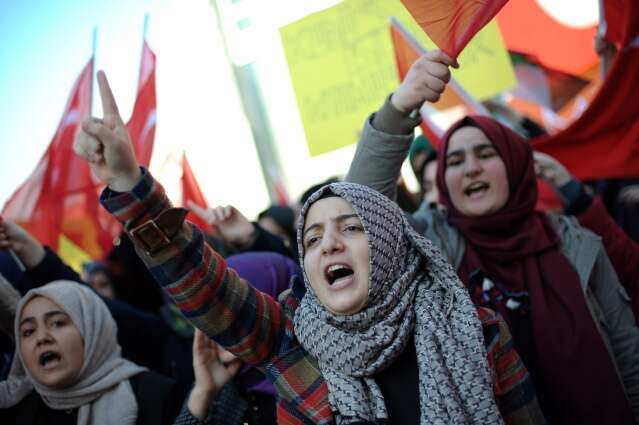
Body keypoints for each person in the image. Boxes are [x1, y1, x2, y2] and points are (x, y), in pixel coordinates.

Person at [72, 70, 544, 424]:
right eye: (312, 238)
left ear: (388, 244)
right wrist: (129, 185)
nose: (328, 245)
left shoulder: (476, 330)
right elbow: (202, 284)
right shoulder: (291, 342)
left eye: (350, 229)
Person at [346, 51, 639, 424]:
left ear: (515, 165)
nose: (471, 169)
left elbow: (628, 356)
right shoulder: (429, 248)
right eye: (455, 161)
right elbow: (360, 210)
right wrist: (398, 110)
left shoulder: (576, 244)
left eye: (486, 154)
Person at [0, 280, 180, 424]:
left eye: (57, 323)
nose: (41, 337)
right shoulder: (15, 408)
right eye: (28, 331)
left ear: (93, 328)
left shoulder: (157, 396)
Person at [175, 252, 301, 425]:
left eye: (237, 312)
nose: (219, 328)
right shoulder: (219, 384)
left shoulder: (321, 380)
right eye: (210, 315)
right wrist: (202, 393)